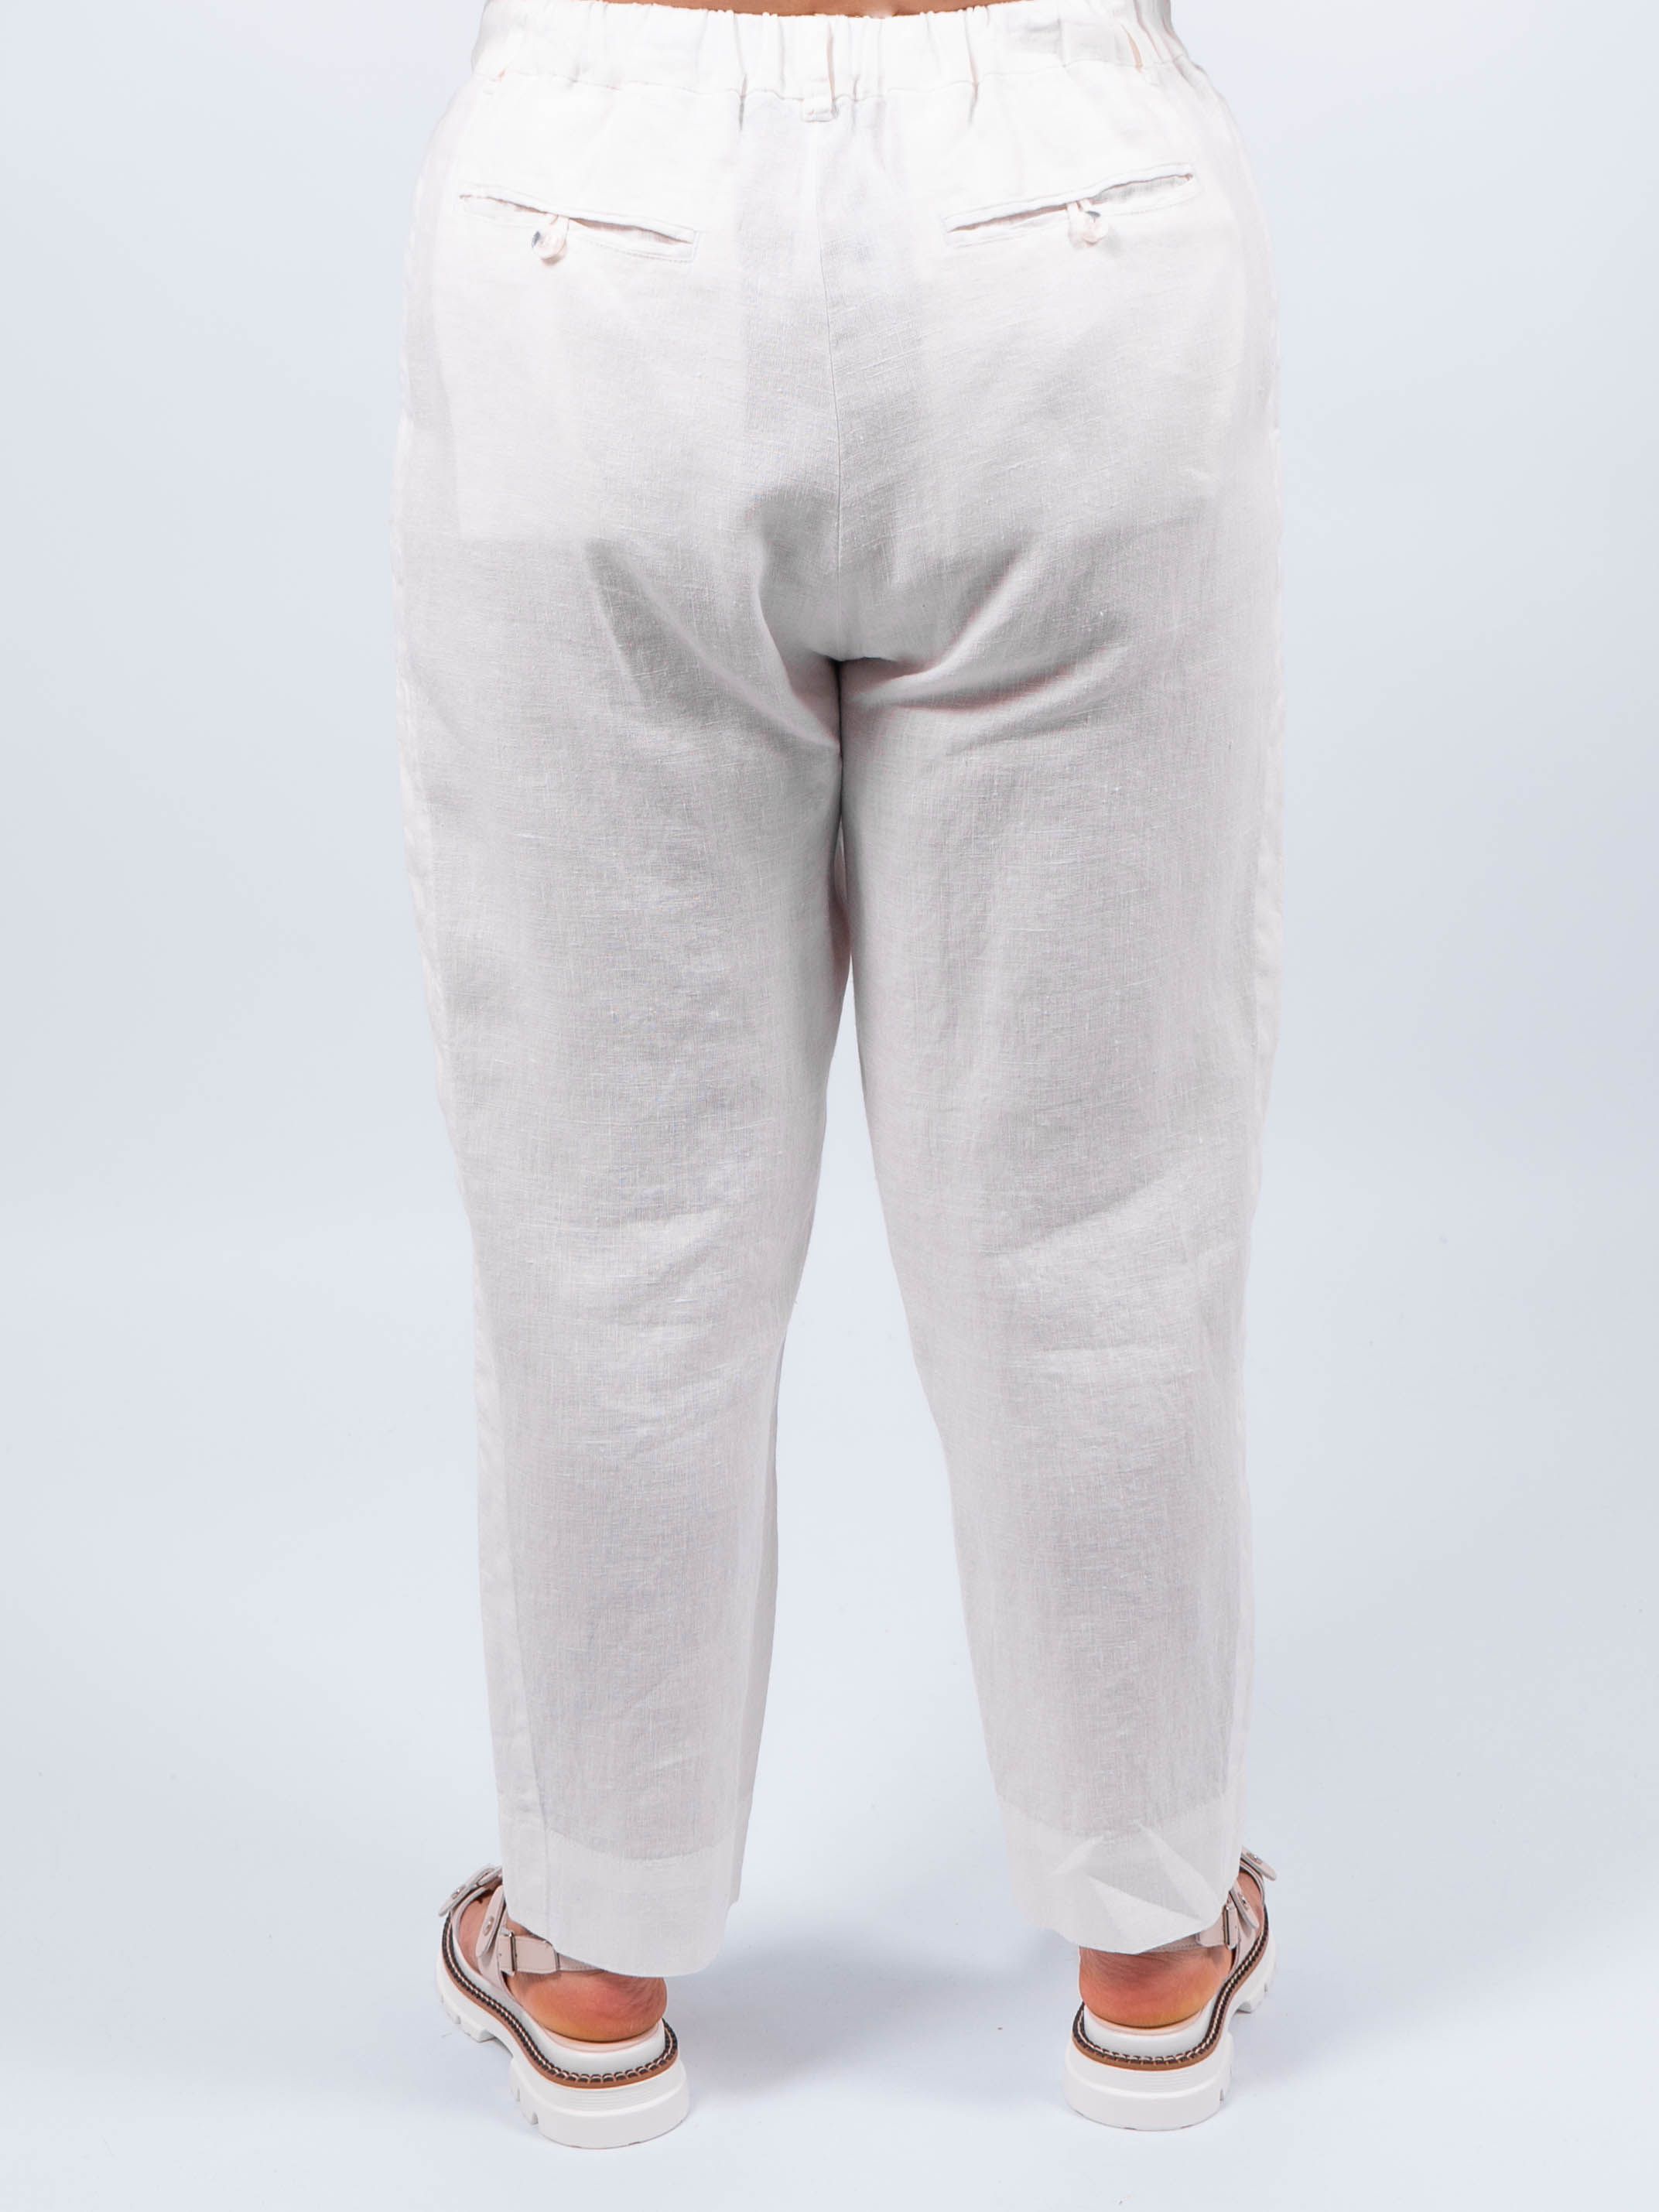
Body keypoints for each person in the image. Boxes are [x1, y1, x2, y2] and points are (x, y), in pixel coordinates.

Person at [396, 0, 1282, 2145]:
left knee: (618, 1202)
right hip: (1074, 209)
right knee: (1097, 1202)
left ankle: (592, 1951)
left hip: (594, 220)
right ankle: (1152, 1939)